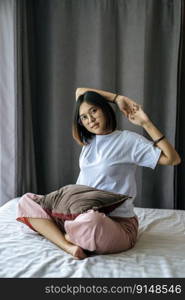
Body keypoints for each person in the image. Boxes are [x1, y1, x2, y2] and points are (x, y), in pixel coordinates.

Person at [16, 87, 181, 260]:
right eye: (84, 117)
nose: (90, 119)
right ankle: (68, 244)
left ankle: (65, 232)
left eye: (94, 110)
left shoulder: (128, 141)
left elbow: (173, 159)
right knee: (27, 201)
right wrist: (118, 98)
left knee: (91, 221)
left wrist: (145, 123)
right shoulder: (89, 141)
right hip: (78, 212)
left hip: (115, 223)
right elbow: (80, 91)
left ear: (104, 108)